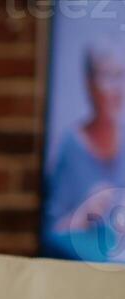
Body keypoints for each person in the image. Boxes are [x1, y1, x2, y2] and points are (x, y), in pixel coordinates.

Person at [43, 43, 124, 263]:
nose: (117, 88)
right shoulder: (71, 147)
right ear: (89, 84)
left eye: (122, 75)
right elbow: (49, 235)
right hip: (79, 274)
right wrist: (83, 213)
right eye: (107, 76)